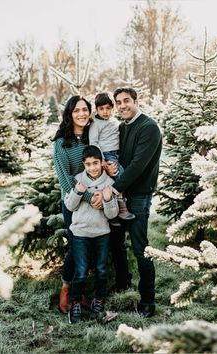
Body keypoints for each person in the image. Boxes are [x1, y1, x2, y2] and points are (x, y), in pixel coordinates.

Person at [106, 87, 162, 318]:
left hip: (138, 195)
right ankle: (122, 282)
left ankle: (148, 300)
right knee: (116, 242)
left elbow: (138, 165)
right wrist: (110, 167)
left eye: (126, 101)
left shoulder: (149, 127)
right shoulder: (123, 127)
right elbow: (121, 159)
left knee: (141, 248)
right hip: (120, 194)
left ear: (136, 101)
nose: (122, 106)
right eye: (118, 102)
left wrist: (113, 188)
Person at [52, 95, 102, 314]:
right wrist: (90, 198)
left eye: (85, 109)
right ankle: (66, 287)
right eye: (76, 110)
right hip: (74, 203)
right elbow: (65, 180)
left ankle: (80, 291)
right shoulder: (61, 143)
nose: (82, 114)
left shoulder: (93, 138)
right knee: (76, 245)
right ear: (69, 114)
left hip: (98, 200)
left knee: (92, 245)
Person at [64, 145, 119, 323]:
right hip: (80, 233)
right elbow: (70, 206)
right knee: (80, 271)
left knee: (101, 270)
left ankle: (99, 299)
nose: (93, 168)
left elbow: (112, 214)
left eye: (96, 163)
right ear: (83, 164)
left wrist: (109, 198)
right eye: (88, 164)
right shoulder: (77, 180)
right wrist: (78, 191)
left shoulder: (109, 183)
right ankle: (75, 303)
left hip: (101, 233)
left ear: (102, 162)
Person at [89, 92, 135, 222]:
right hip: (107, 154)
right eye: (101, 109)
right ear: (96, 109)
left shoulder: (115, 121)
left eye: (108, 108)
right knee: (121, 176)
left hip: (117, 153)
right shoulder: (95, 124)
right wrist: (102, 160)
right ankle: (121, 205)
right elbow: (94, 143)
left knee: (112, 181)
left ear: (112, 108)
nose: (105, 112)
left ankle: (111, 211)